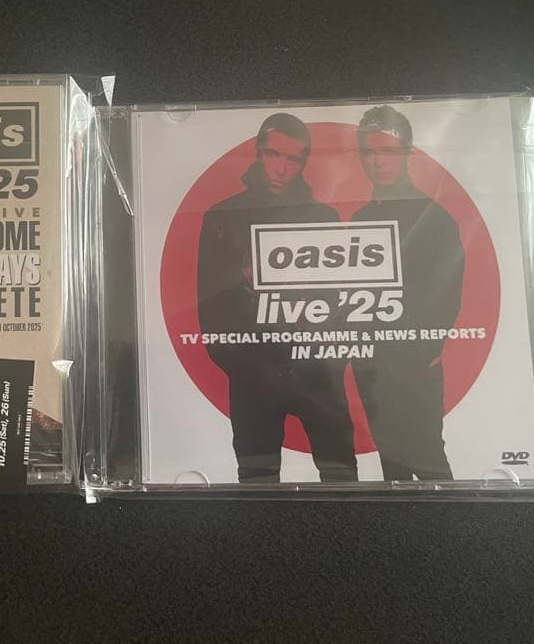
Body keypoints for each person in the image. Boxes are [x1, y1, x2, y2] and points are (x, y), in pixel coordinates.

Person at [197, 114, 358, 483]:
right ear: (258, 152)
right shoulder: (222, 216)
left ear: (303, 163)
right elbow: (210, 311)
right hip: (252, 378)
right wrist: (248, 370)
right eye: (273, 155)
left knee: (343, 481)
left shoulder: (324, 218)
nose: (282, 169)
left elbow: (342, 303)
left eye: (293, 159)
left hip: (317, 375)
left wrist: (330, 363)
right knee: (257, 485)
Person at [351, 106, 464, 481]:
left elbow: (447, 296)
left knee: (428, 458)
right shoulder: (361, 220)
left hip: (416, 365)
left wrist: (424, 353)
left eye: (388, 150)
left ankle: (451, 518)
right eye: (370, 152)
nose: (378, 161)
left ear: (407, 153)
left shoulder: (435, 218)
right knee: (391, 463)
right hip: (372, 366)